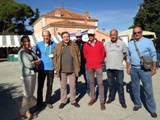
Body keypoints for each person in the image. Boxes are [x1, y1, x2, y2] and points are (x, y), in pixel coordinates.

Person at [126, 26, 157, 118]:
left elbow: (154, 54)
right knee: (135, 87)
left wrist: (154, 68)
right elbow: (128, 56)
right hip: (134, 69)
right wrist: (128, 68)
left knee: (148, 89)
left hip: (145, 69)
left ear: (141, 32)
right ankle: (137, 104)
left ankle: (152, 109)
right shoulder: (131, 43)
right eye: (135, 33)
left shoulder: (148, 42)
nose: (137, 34)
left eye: (138, 32)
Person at [54, 31, 81, 109]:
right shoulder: (58, 46)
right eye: (64, 37)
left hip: (72, 70)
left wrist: (78, 64)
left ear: (69, 37)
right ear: (62, 38)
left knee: (73, 86)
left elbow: (78, 55)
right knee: (63, 86)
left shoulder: (74, 45)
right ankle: (63, 101)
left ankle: (73, 101)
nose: (66, 38)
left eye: (67, 36)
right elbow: (55, 57)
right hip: (62, 70)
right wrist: (56, 67)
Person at [18, 35, 41, 119]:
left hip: (33, 74)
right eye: (25, 41)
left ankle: (25, 109)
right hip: (27, 75)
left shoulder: (30, 51)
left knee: (31, 93)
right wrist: (35, 62)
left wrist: (33, 62)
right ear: (22, 43)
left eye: (28, 41)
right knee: (27, 94)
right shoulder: (22, 52)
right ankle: (26, 112)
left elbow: (39, 59)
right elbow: (28, 65)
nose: (27, 43)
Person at [83, 29, 106, 110]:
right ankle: (93, 98)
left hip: (98, 66)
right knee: (91, 83)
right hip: (89, 66)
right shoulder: (86, 45)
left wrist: (100, 60)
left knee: (100, 84)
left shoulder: (100, 44)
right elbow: (85, 55)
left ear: (94, 35)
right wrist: (89, 60)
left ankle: (102, 101)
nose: (90, 36)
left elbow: (103, 54)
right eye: (89, 35)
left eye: (92, 35)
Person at [34, 30, 57, 109]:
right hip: (41, 68)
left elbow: (58, 54)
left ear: (50, 35)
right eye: (44, 36)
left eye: (47, 35)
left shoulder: (54, 44)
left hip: (50, 68)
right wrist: (35, 61)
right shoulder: (38, 44)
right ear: (42, 36)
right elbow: (33, 53)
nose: (45, 37)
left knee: (49, 86)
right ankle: (39, 103)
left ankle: (48, 102)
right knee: (40, 86)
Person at [104, 29, 127, 108]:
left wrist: (119, 60)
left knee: (120, 85)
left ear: (117, 35)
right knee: (110, 84)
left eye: (114, 34)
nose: (113, 36)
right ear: (110, 35)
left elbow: (125, 54)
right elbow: (104, 54)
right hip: (109, 68)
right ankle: (111, 98)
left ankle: (122, 101)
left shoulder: (122, 44)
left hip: (119, 68)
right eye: (111, 35)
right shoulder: (106, 44)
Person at [75, 31, 90, 96]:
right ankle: (74, 91)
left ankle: (88, 90)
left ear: (81, 37)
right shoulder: (73, 44)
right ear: (76, 37)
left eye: (80, 37)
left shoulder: (85, 43)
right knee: (75, 78)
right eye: (77, 37)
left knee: (87, 77)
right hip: (76, 63)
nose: (78, 38)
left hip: (84, 63)